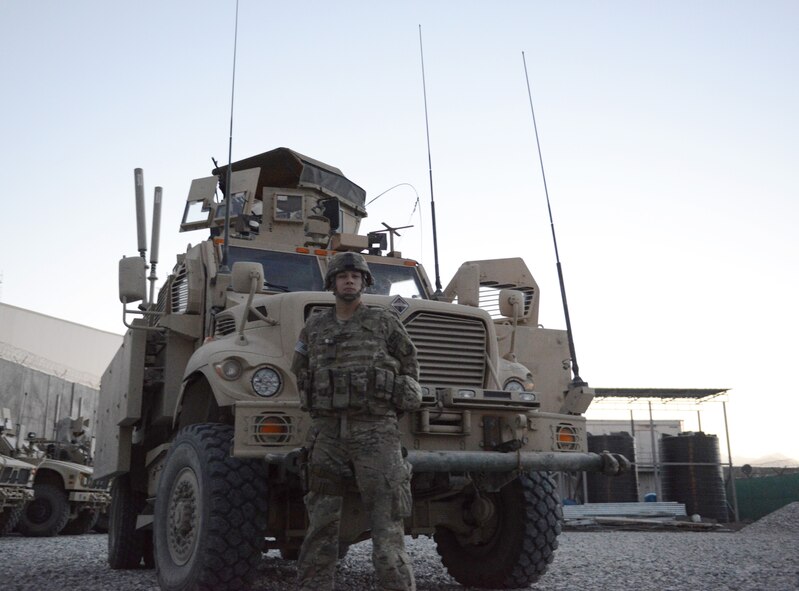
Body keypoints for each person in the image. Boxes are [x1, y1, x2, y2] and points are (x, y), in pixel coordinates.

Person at [292, 251, 421, 591]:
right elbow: (300, 368)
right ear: (332, 283)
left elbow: (409, 365)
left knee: (387, 522)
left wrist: (392, 402)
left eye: (355, 275)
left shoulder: (383, 321)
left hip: (375, 432)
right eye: (342, 275)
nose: (349, 280)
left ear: (364, 282)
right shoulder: (315, 326)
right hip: (327, 433)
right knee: (320, 519)